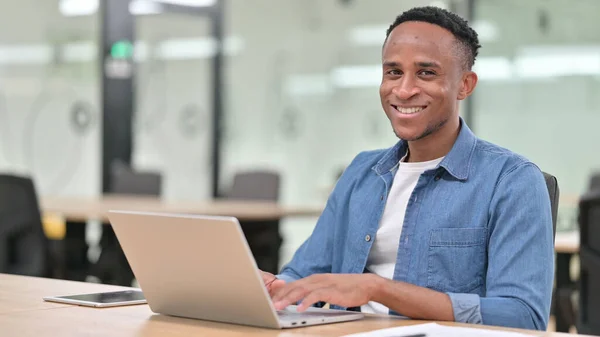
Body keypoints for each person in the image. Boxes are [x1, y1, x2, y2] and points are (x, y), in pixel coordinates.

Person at [261, 6, 554, 331]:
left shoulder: (512, 181)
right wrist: (276, 287)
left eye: (426, 73)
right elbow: (305, 274)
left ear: (465, 85)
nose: (403, 90)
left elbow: (523, 316)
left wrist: (379, 290)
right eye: (393, 72)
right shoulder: (362, 172)